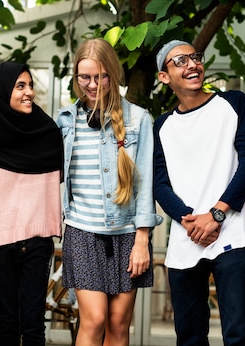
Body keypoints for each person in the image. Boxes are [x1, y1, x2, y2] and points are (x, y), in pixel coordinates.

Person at [153, 39, 245, 346]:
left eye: (195, 57)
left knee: (239, 336)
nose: (192, 65)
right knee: (189, 338)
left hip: (230, 237)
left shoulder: (234, 104)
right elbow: (159, 183)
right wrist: (189, 220)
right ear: (164, 77)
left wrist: (216, 214)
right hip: (185, 241)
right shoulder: (161, 127)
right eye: (180, 61)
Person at [56, 38, 161, 346]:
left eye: (100, 76)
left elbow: (145, 186)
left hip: (128, 233)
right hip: (82, 231)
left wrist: (142, 239)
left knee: (118, 324)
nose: (92, 84)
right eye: (84, 77)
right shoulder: (65, 121)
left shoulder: (139, 120)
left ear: (113, 74)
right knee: (95, 319)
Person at [0, 62, 63, 346]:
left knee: (34, 328)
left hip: (37, 240)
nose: (29, 92)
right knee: (6, 326)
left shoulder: (46, 132)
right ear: (1, 91)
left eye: (30, 85)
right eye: (20, 86)